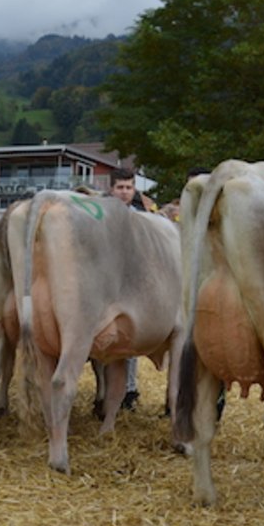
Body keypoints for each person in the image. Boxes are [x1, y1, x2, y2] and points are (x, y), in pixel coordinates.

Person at [109, 169, 149, 410]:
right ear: (111, 189)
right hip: (105, 285)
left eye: (128, 187)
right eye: (120, 187)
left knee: (129, 342)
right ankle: (105, 393)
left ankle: (129, 390)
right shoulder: (99, 216)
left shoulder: (140, 218)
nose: (124, 192)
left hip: (131, 285)